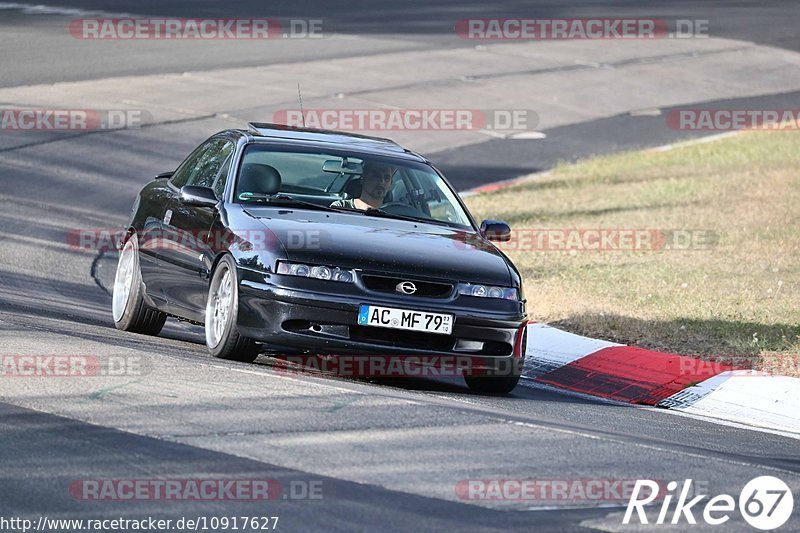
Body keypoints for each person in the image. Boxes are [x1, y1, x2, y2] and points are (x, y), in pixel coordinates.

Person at [331, 162, 395, 209]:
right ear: (363, 179)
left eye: (387, 178)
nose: (382, 182)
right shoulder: (340, 207)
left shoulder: (394, 214)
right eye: (376, 176)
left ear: (391, 184)